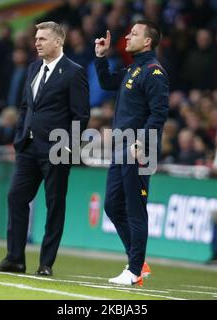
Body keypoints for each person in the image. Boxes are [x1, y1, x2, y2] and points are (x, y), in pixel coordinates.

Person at [0, 21, 90, 276]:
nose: (37, 43)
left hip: (56, 150)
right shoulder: (33, 68)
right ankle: (15, 259)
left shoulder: (74, 72)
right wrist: (20, 135)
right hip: (28, 147)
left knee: (54, 205)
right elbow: (25, 106)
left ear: (58, 41)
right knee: (16, 197)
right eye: (36, 38)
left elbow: (81, 115)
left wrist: (69, 147)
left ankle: (46, 263)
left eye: (42, 39)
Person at [94, 20, 169, 285]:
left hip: (138, 150)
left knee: (136, 210)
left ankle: (134, 269)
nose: (127, 36)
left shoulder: (154, 72)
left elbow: (159, 114)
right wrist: (101, 57)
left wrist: (142, 142)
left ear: (147, 41)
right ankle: (138, 261)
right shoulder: (134, 69)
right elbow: (105, 82)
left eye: (134, 34)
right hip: (121, 148)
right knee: (112, 205)